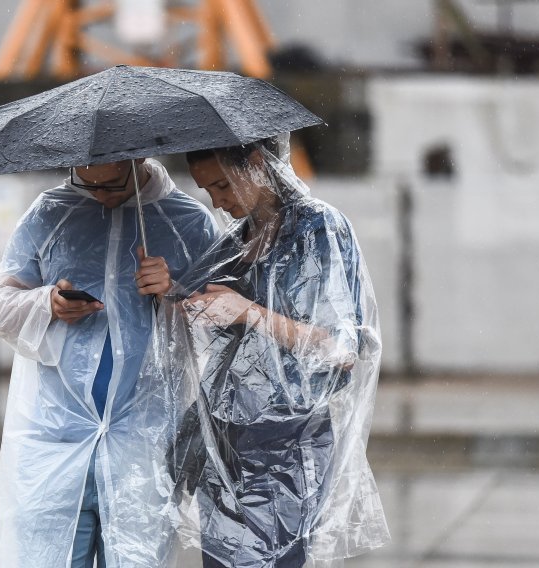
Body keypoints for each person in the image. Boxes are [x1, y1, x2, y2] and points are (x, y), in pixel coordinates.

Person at [115, 135, 389, 567]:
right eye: (207, 191)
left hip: (286, 443)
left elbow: (339, 347)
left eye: (223, 185)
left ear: (257, 163)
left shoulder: (319, 229)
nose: (218, 202)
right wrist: (168, 287)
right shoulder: (238, 241)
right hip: (222, 438)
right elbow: (200, 311)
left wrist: (250, 313)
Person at [0, 157, 218, 568]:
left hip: (143, 442)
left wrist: (172, 292)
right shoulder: (50, 214)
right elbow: (0, 303)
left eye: (111, 185)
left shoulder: (189, 224)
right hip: (53, 437)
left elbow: (224, 323)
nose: (98, 196)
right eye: (86, 183)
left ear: (137, 162)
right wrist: (46, 303)